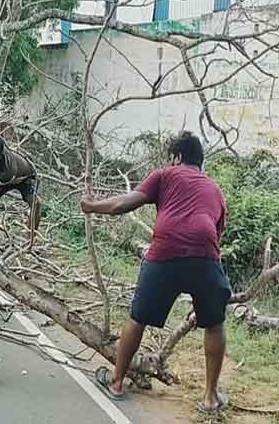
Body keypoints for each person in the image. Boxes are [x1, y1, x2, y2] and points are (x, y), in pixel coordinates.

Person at [80, 131, 231, 415]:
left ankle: (116, 383)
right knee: (215, 324)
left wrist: (90, 205)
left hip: (164, 254)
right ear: (200, 163)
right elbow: (216, 238)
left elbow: (121, 205)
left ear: (177, 157)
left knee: (138, 318)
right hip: (206, 256)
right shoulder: (215, 190)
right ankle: (211, 399)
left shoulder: (165, 174)